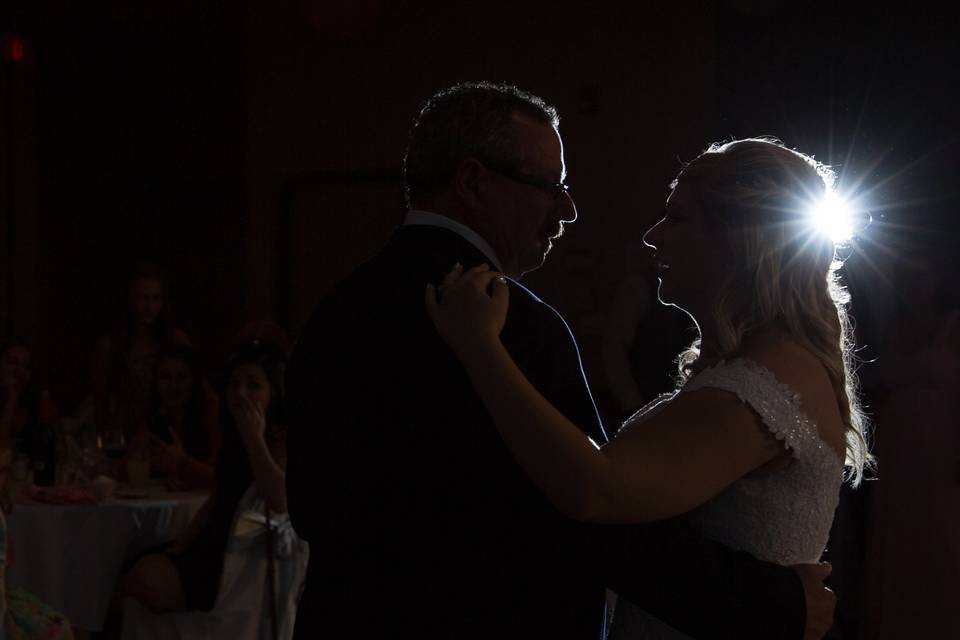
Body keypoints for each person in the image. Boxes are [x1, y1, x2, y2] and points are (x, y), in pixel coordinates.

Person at [286, 84, 834, 639]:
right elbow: (596, 519)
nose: (568, 210)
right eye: (551, 187)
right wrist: (770, 602)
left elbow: (308, 503)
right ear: (474, 182)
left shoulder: (337, 309)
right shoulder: (514, 324)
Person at [425, 137, 872, 638]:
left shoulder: (770, 380)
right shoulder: (756, 366)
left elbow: (595, 489)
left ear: (741, 239)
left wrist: (480, 348)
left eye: (678, 218)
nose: (653, 236)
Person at [120, 341, 288, 615]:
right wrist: (181, 546)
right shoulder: (231, 438)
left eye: (254, 385)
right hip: (210, 546)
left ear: (275, 393)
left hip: (240, 563)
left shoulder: (279, 439)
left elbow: (281, 499)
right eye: (234, 383)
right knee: (124, 571)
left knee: (140, 580)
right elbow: (215, 501)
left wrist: (254, 439)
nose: (240, 392)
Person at [92, 263, 190, 445]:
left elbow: (198, 389)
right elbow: (100, 401)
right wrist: (103, 442)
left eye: (155, 298)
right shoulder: (111, 345)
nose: (149, 306)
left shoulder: (175, 340)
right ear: (130, 299)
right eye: (142, 298)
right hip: (124, 434)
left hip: (165, 433)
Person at [143, 344, 220, 490]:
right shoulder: (156, 414)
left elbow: (224, 478)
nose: (173, 386)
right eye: (165, 377)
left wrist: (184, 463)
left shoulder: (212, 413)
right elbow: (128, 464)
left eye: (182, 377)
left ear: (194, 380)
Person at [0, 340, 61, 487]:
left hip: (28, 488)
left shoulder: (37, 403)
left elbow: (58, 453)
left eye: (25, 366)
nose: (19, 370)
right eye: (12, 363)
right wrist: (11, 400)